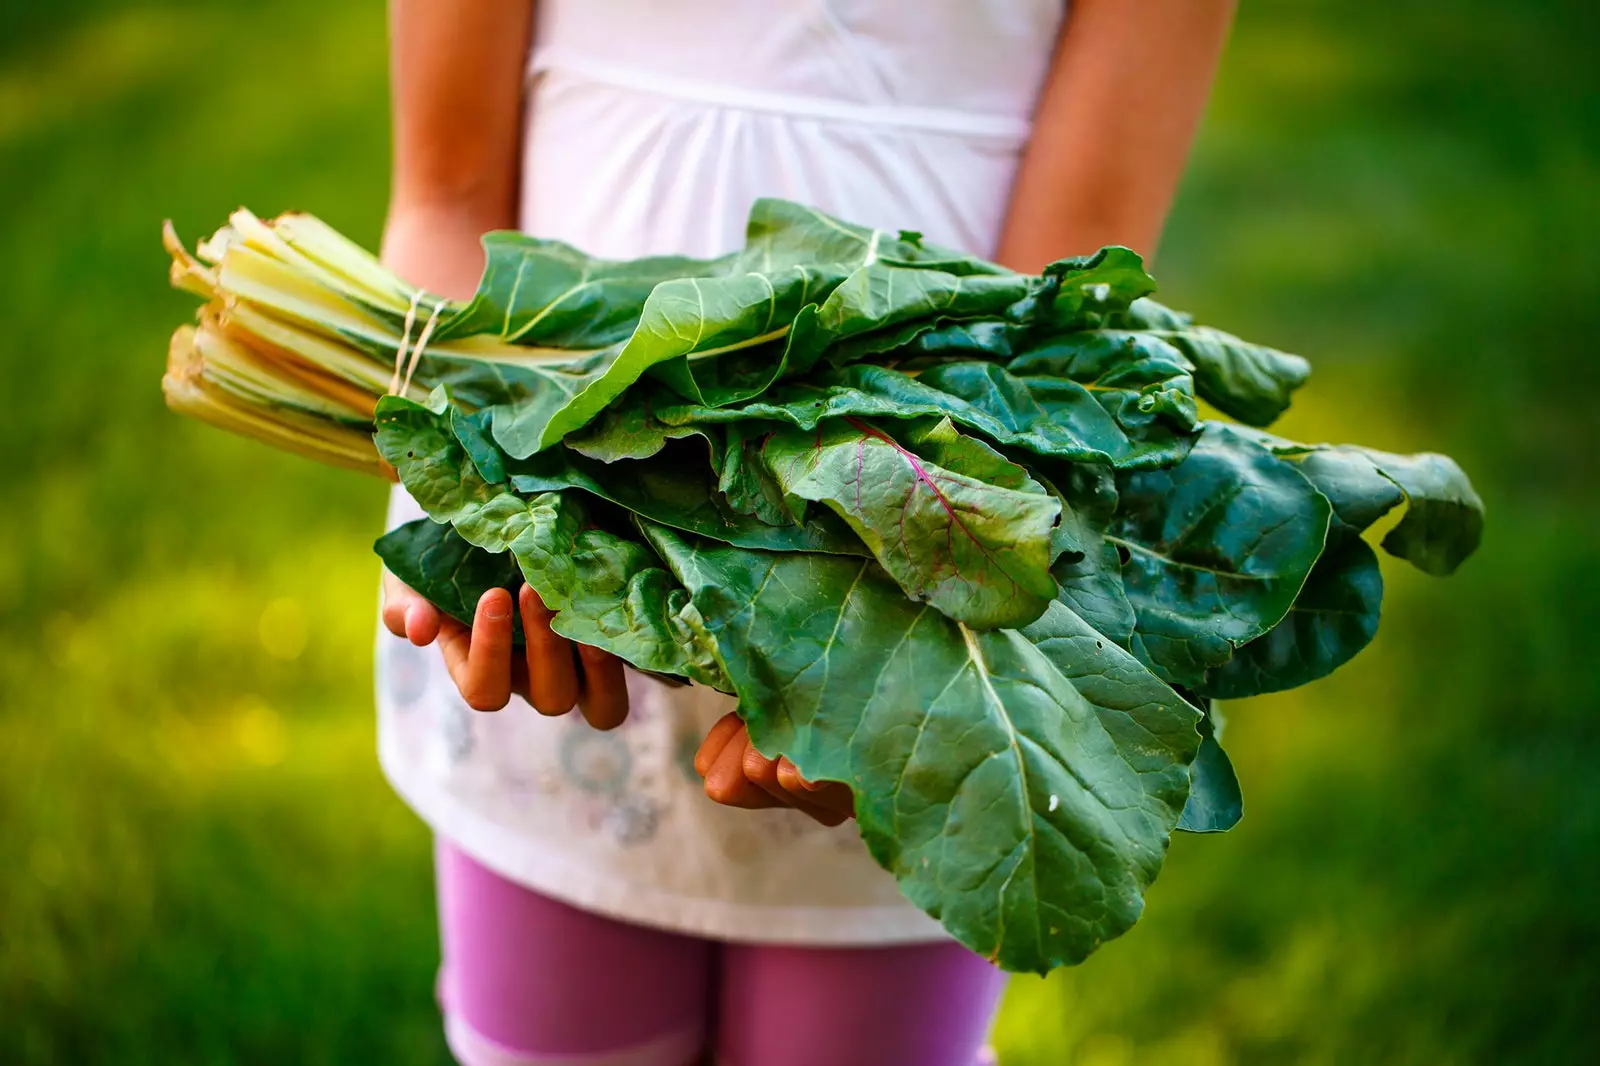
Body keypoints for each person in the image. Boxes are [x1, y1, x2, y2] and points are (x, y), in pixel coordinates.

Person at [375, 2, 1235, 1063]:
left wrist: (907, 694)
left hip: (912, 611)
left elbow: (1047, 341)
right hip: (559, 588)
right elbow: (446, 194)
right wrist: (473, 494)